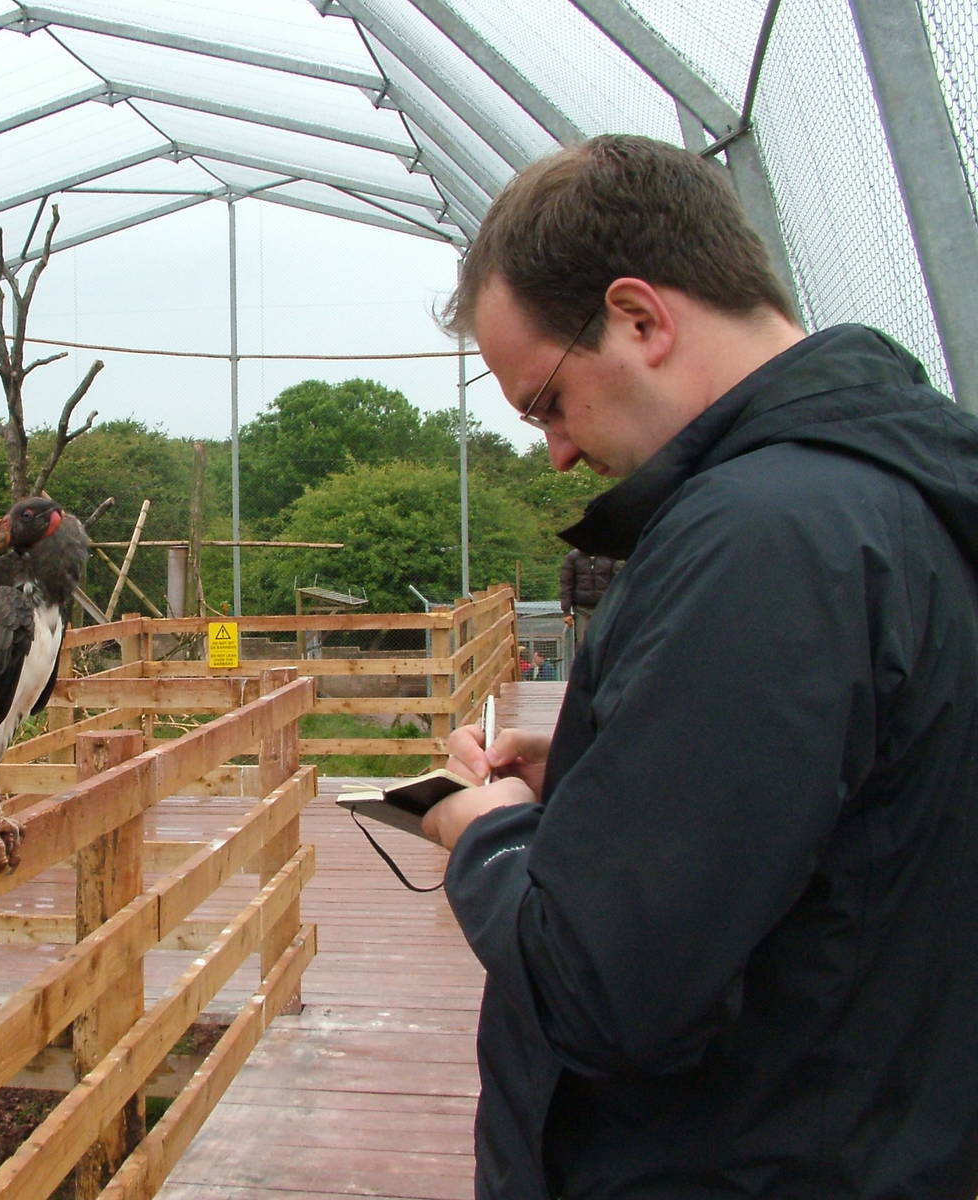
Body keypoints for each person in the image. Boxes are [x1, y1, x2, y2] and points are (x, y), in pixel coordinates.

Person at [421, 134, 978, 1199]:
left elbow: (604, 991)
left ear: (639, 319)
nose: (558, 452)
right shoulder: (892, 492)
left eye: (547, 400)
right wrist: (602, 771)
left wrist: (483, 833)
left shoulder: (765, 538)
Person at [558, 547, 619, 644]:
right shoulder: (573, 556)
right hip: (581, 609)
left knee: (604, 642)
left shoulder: (610, 557)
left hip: (605, 608)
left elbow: (617, 583)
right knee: (582, 643)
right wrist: (566, 612)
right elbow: (566, 584)